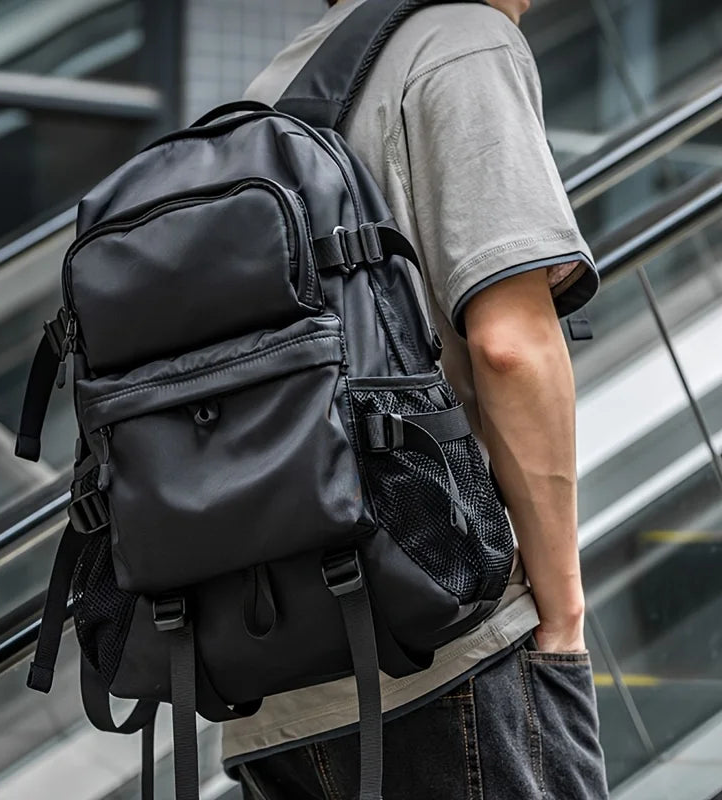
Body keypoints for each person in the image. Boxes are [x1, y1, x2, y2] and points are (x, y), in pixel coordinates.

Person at [223, 1, 609, 798]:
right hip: (448, 648)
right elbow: (510, 348)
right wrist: (562, 617)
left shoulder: (264, 95)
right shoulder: (462, 43)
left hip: (271, 691)